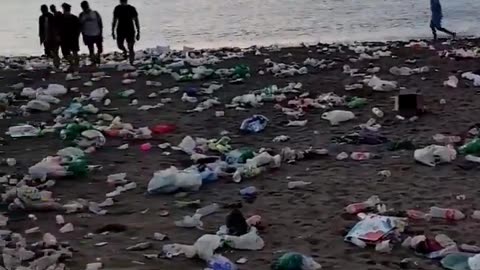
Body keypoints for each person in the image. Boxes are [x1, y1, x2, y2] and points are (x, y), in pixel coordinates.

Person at [112, 0, 140, 65]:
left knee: (130, 47)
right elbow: (114, 20)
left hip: (129, 29)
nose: (123, 3)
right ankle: (125, 51)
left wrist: (138, 31)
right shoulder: (117, 8)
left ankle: (131, 62)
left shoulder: (131, 8)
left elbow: (136, 20)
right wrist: (112, 31)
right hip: (121, 29)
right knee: (120, 45)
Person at [59, 3, 81, 69]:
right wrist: (77, 35)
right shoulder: (74, 18)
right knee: (74, 52)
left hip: (66, 38)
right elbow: (79, 28)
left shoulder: (61, 18)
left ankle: (73, 64)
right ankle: (75, 65)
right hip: (72, 37)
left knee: (66, 53)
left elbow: (58, 28)